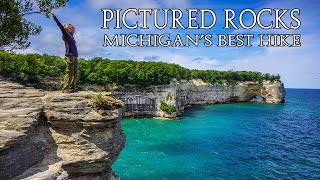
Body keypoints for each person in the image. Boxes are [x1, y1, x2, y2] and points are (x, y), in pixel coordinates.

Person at [50, 11, 78, 93]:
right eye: (72, 27)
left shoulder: (72, 37)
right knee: (69, 72)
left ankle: (73, 88)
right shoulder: (66, 35)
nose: (74, 28)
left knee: (75, 73)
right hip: (69, 56)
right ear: (68, 29)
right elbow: (60, 26)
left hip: (75, 56)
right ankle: (65, 89)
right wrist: (54, 17)